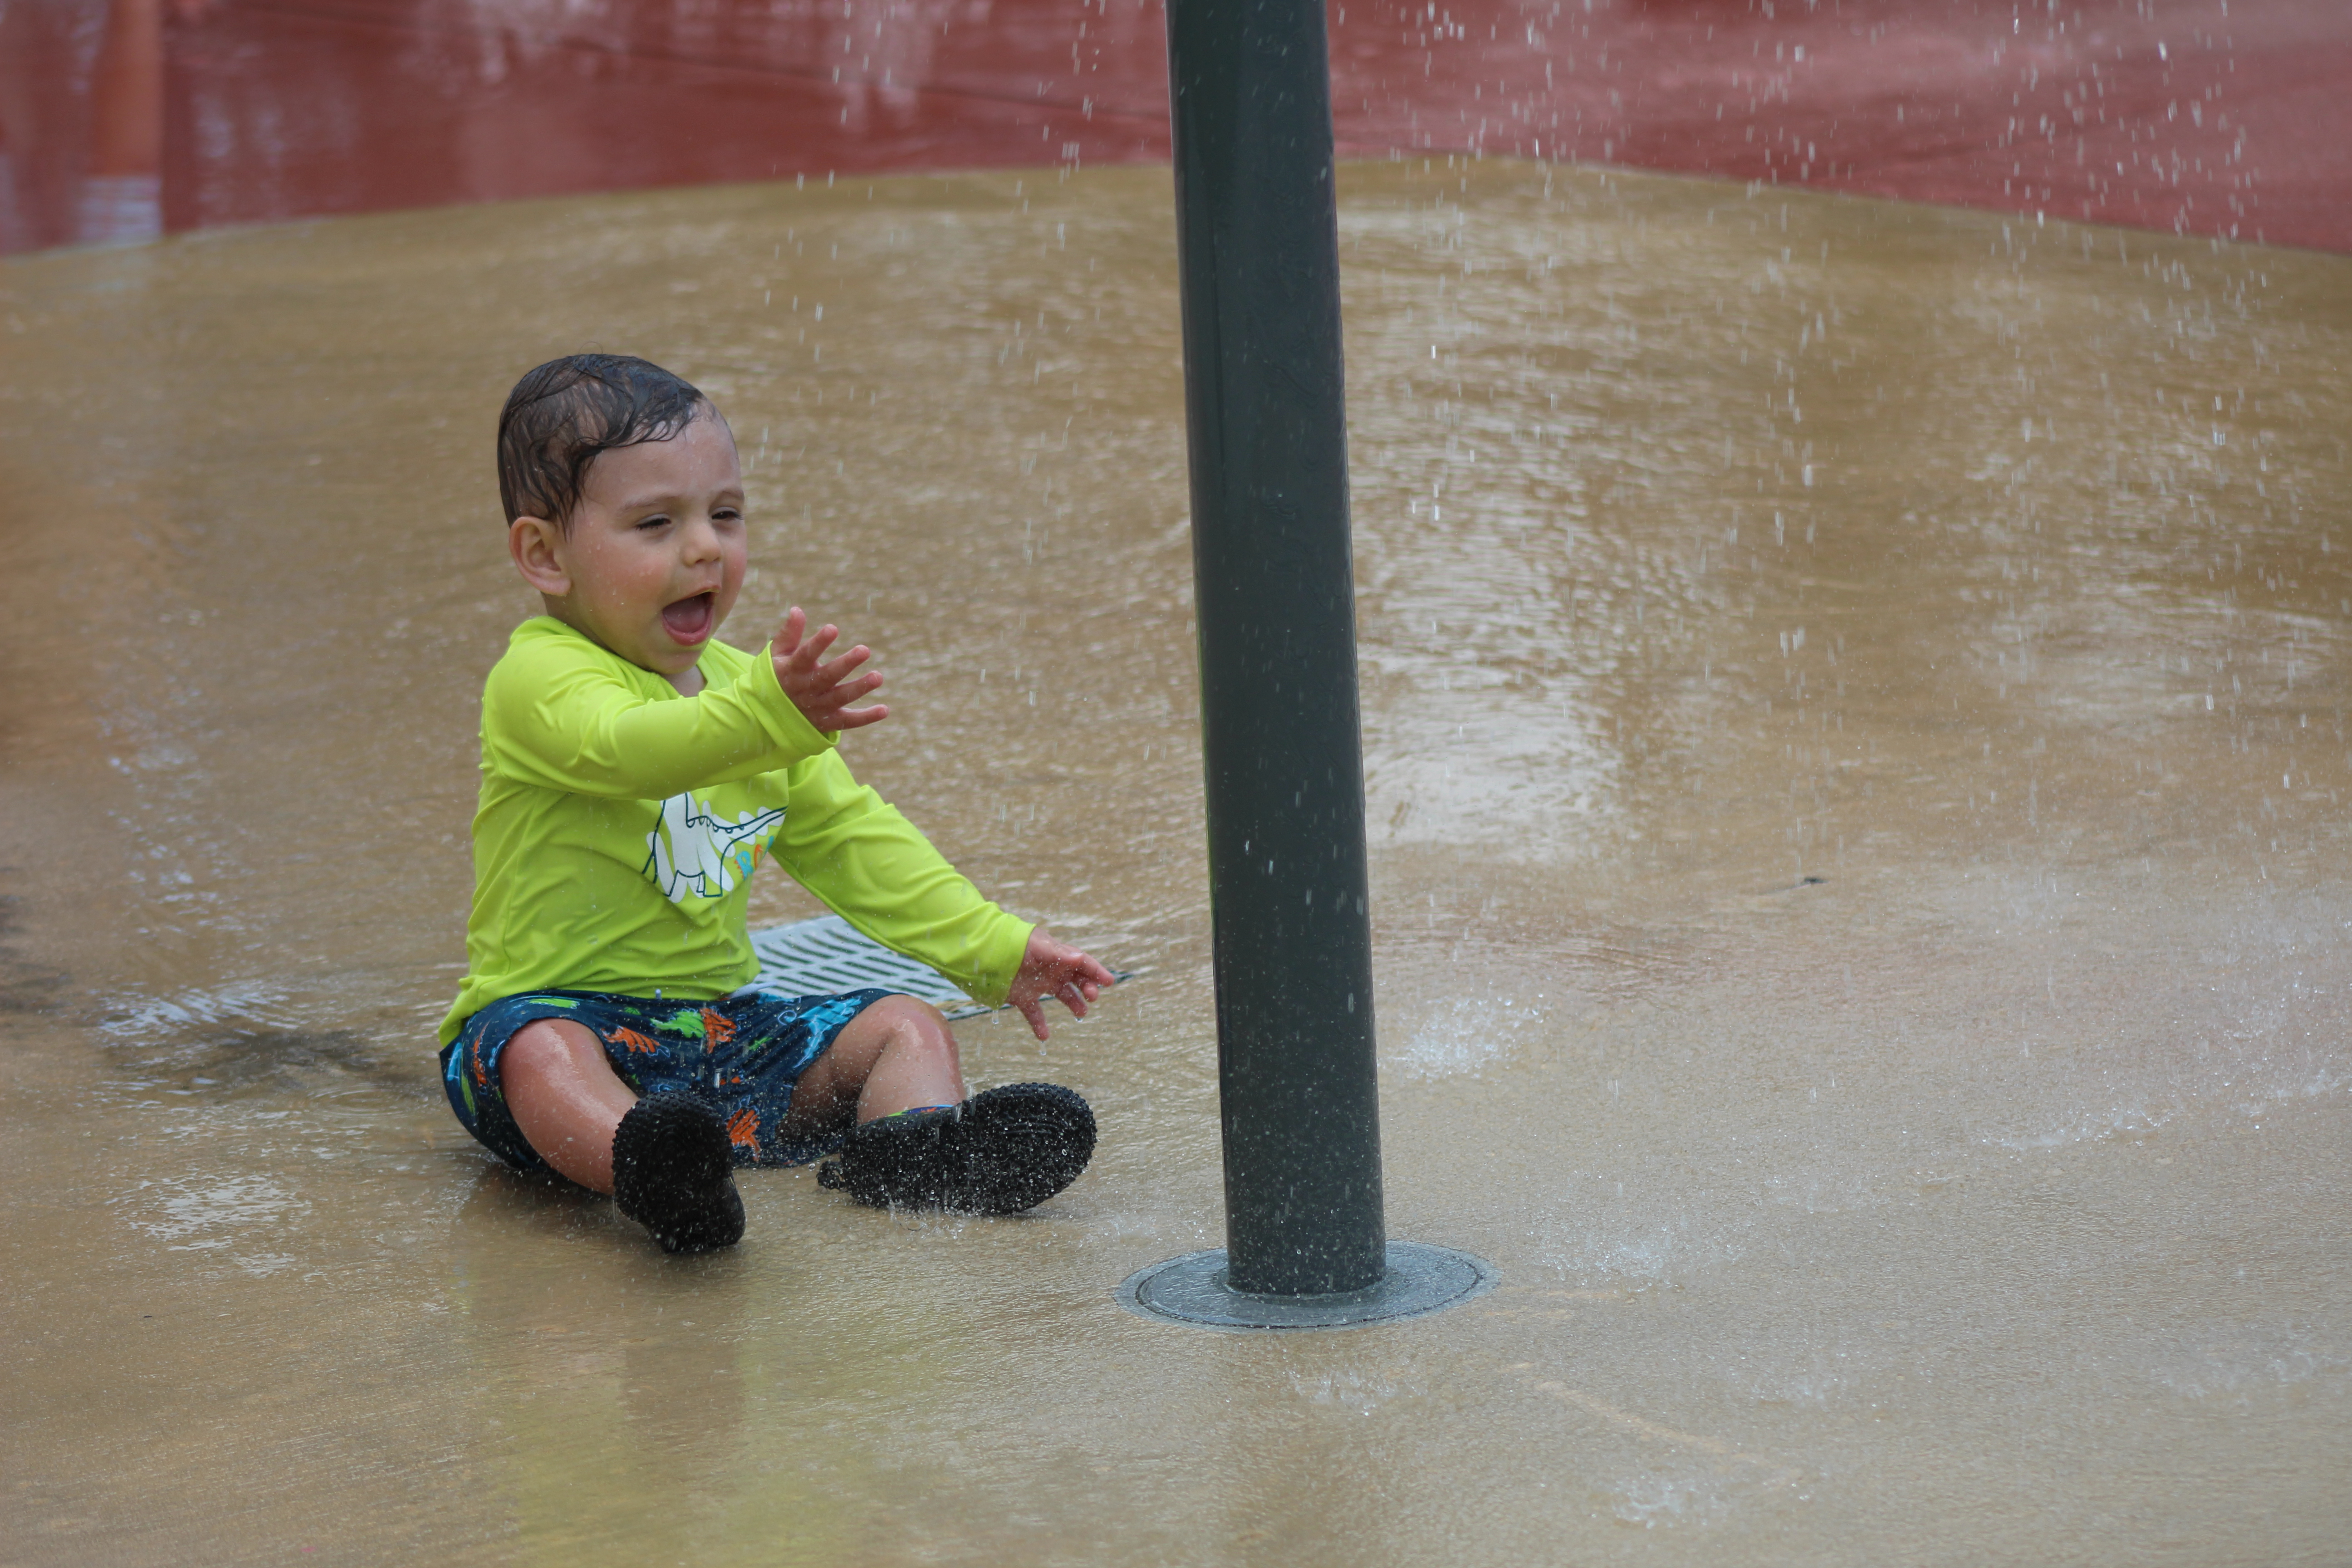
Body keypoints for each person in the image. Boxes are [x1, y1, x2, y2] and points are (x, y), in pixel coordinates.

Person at [436, 353, 1116, 1254]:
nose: (705, 548)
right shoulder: (539, 680)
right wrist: (769, 715)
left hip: (719, 1033)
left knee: (897, 1025)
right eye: (654, 523)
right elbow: (629, 750)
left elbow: (852, 838)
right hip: (563, 1014)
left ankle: (912, 1149)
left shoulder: (755, 702)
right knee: (539, 1058)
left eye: (725, 514)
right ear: (545, 555)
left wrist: (991, 947)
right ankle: (646, 1173)